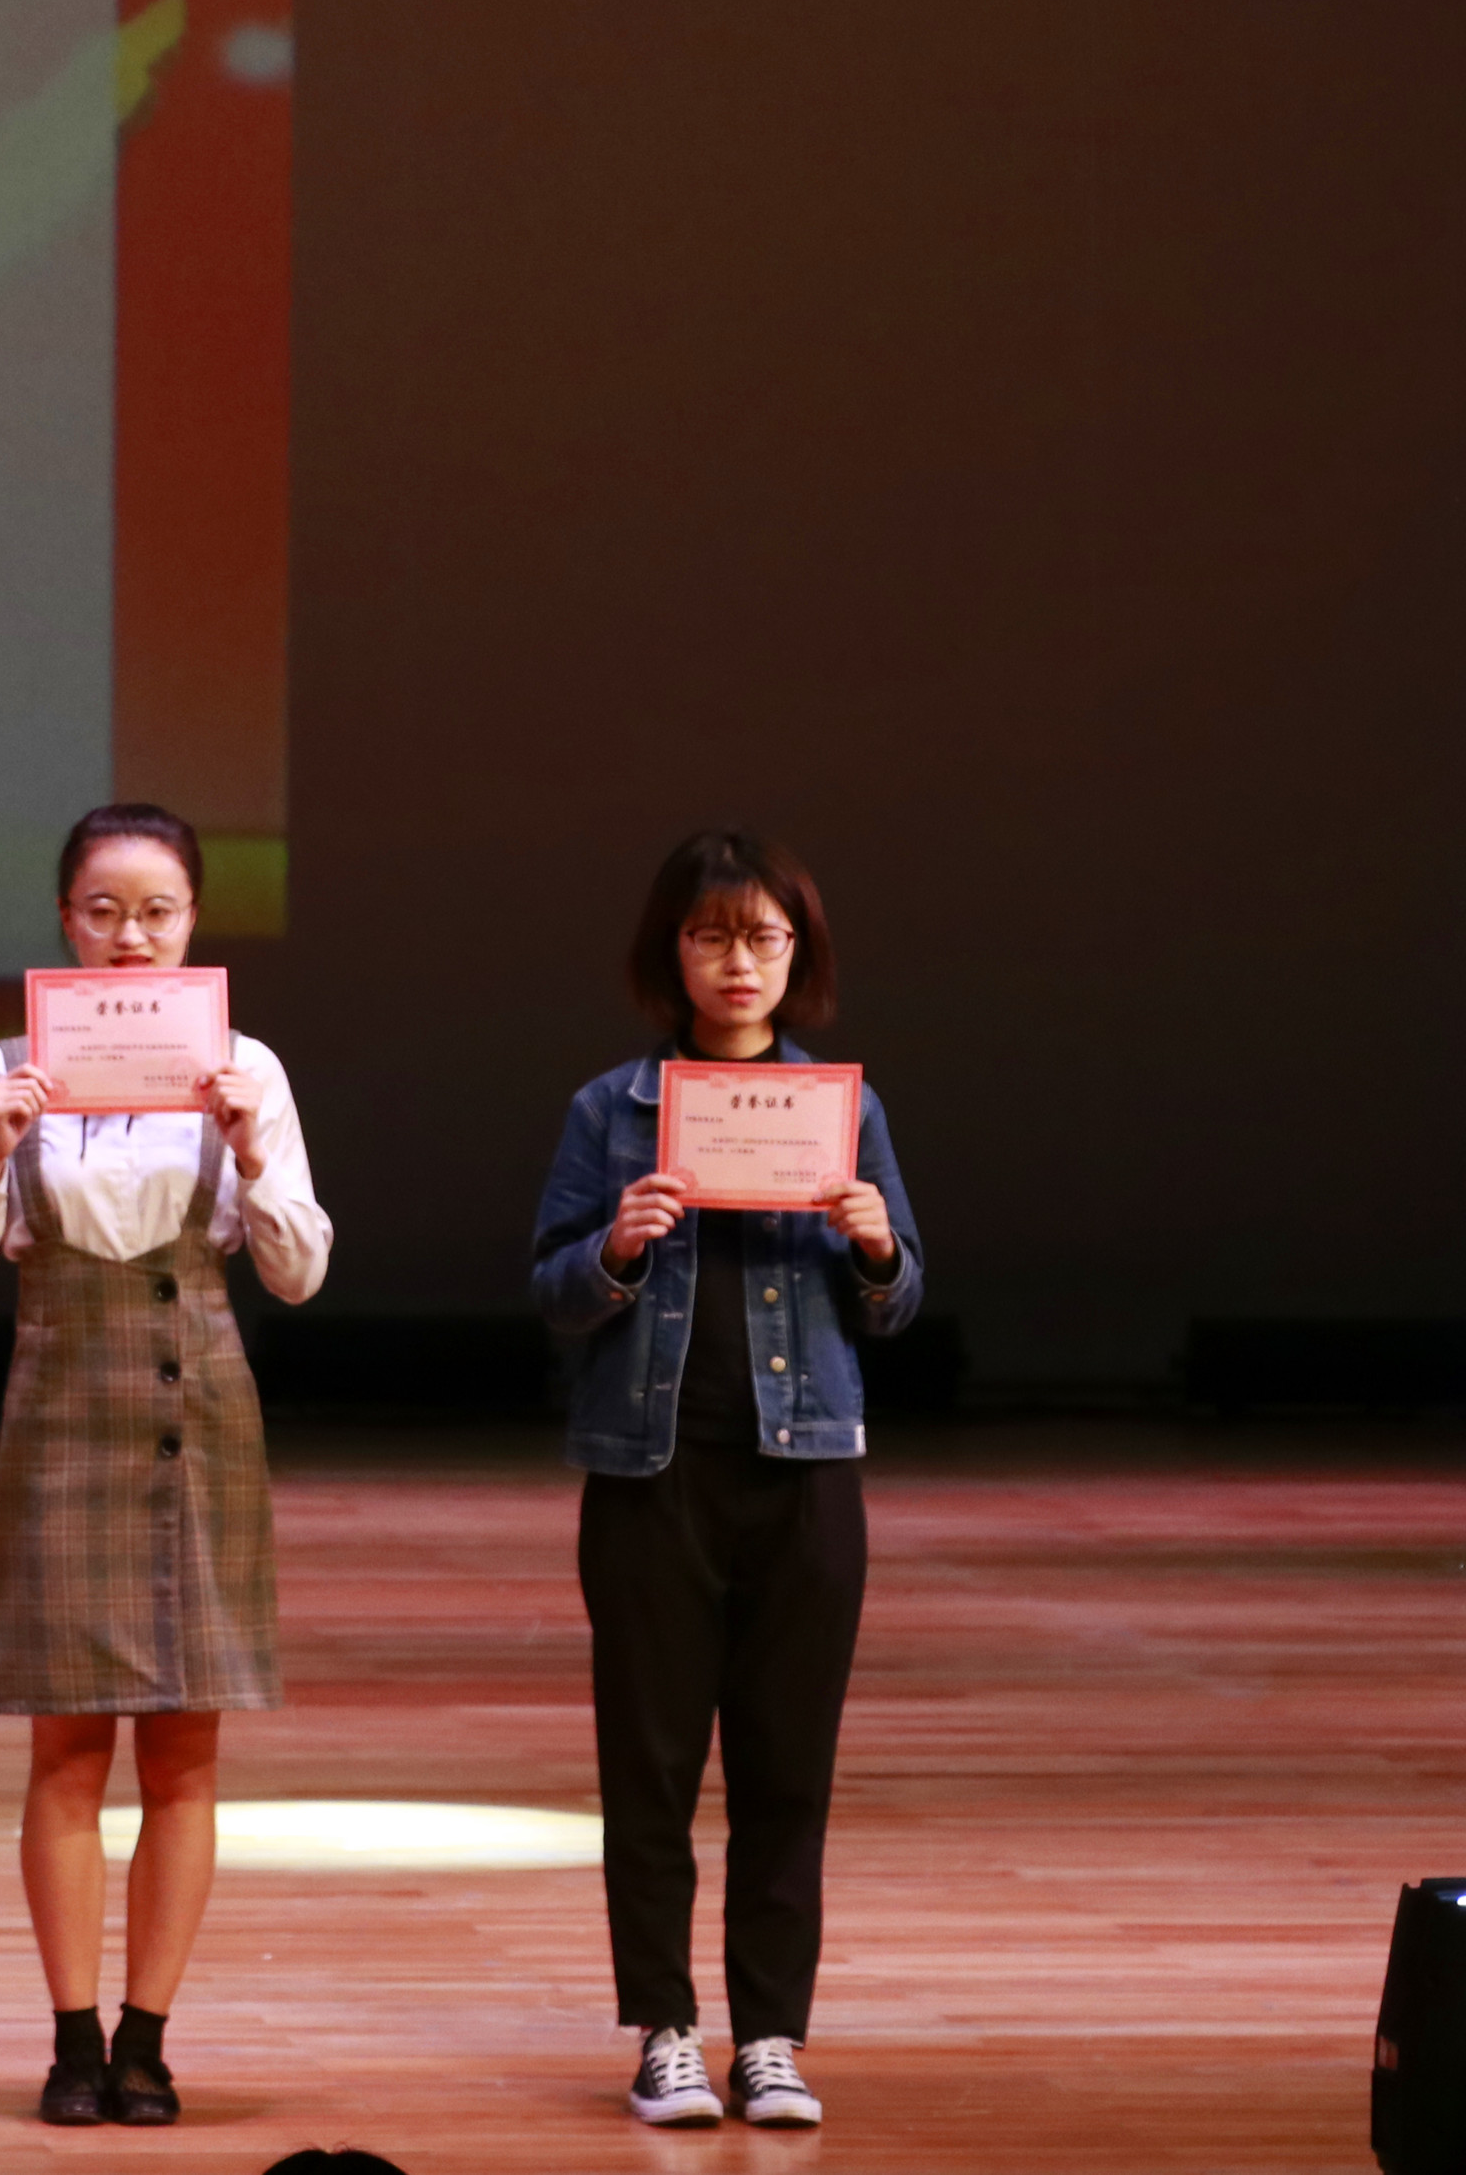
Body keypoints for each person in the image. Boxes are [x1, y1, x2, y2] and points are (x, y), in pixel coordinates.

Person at [0, 803, 332, 2127]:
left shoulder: (246, 1065)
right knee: (65, 1747)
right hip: (62, 1411)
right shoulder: (0, 1070)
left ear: (194, 919)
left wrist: (253, 1150)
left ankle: (147, 2036)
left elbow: (300, 1270)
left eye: (157, 911)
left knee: (187, 1754)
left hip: (199, 1406)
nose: (130, 936)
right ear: (65, 920)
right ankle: (70, 2036)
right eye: (103, 910)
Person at [527, 830, 924, 2132]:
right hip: (650, 1473)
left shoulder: (843, 1106)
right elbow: (551, 1290)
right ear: (674, 950)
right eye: (711, 934)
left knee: (786, 1770)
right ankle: (665, 2032)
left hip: (805, 1475)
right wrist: (616, 1248)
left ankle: (770, 2036)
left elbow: (900, 1299)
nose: (738, 960)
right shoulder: (612, 1108)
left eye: (763, 936)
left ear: (796, 952)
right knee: (647, 1767)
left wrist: (875, 1246)